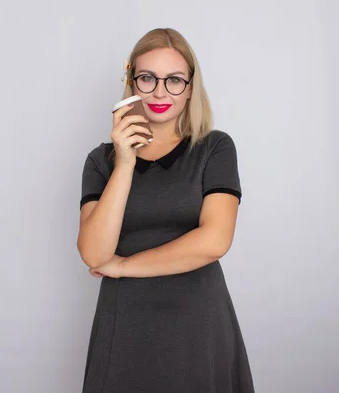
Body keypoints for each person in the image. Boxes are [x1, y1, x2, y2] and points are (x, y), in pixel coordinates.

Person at [77, 27, 255, 393]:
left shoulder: (214, 149)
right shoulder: (101, 161)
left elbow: (215, 241)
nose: (160, 92)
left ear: (190, 86)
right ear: (131, 82)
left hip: (197, 321)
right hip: (123, 322)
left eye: (174, 80)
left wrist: (124, 266)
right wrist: (125, 162)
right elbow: (94, 253)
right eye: (147, 78)